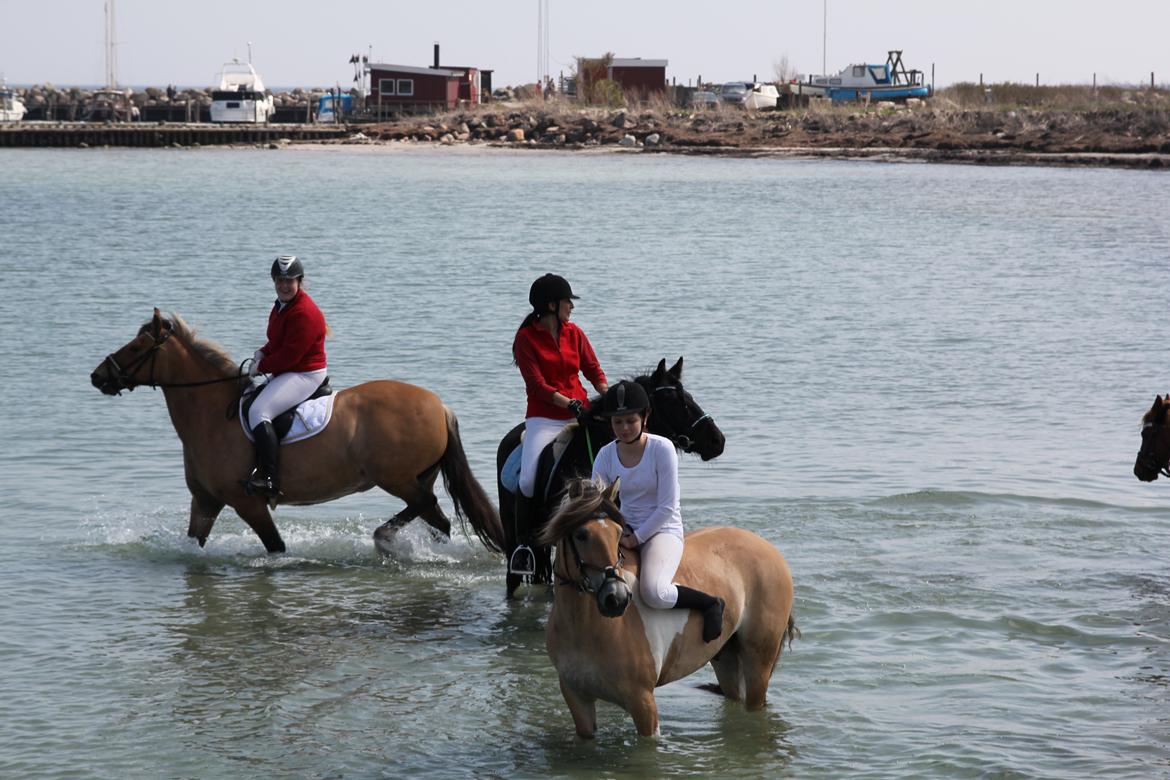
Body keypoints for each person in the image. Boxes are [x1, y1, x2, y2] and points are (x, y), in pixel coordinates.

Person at [591, 380, 724, 642]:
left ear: (645, 416)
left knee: (653, 592)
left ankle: (710, 604)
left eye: (630, 420)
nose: (625, 428)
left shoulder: (662, 449)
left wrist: (636, 538)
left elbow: (667, 507)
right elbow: (597, 501)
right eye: (618, 422)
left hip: (662, 530)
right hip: (625, 530)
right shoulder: (605, 455)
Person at [512, 273, 608, 525]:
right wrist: (568, 403)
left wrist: (610, 397)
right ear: (552, 305)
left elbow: (593, 370)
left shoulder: (574, 333)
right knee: (528, 480)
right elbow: (537, 386)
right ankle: (524, 540)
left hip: (582, 413)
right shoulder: (525, 339)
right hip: (544, 419)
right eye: (568, 301)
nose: (572, 306)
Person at [243, 255, 328, 497]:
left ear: (299, 281)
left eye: (289, 280)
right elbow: (277, 341)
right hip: (291, 369)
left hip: (305, 373)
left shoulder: (304, 312)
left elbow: (290, 355)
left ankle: (270, 480)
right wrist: (263, 351)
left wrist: (262, 366)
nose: (284, 285)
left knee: (259, 412)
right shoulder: (281, 305)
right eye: (280, 280)